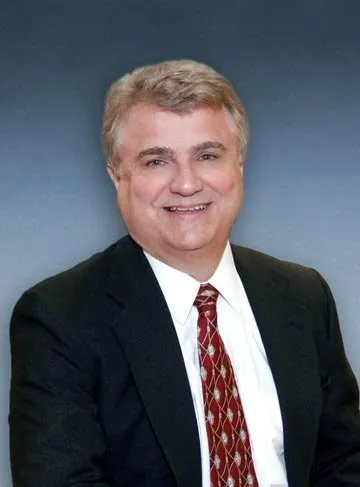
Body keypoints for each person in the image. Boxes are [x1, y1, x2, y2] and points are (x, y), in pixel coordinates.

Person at [9, 59, 360, 487]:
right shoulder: (59, 318)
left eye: (208, 156)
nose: (187, 184)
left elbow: (345, 463)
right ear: (118, 178)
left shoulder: (304, 296)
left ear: (239, 167)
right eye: (157, 162)